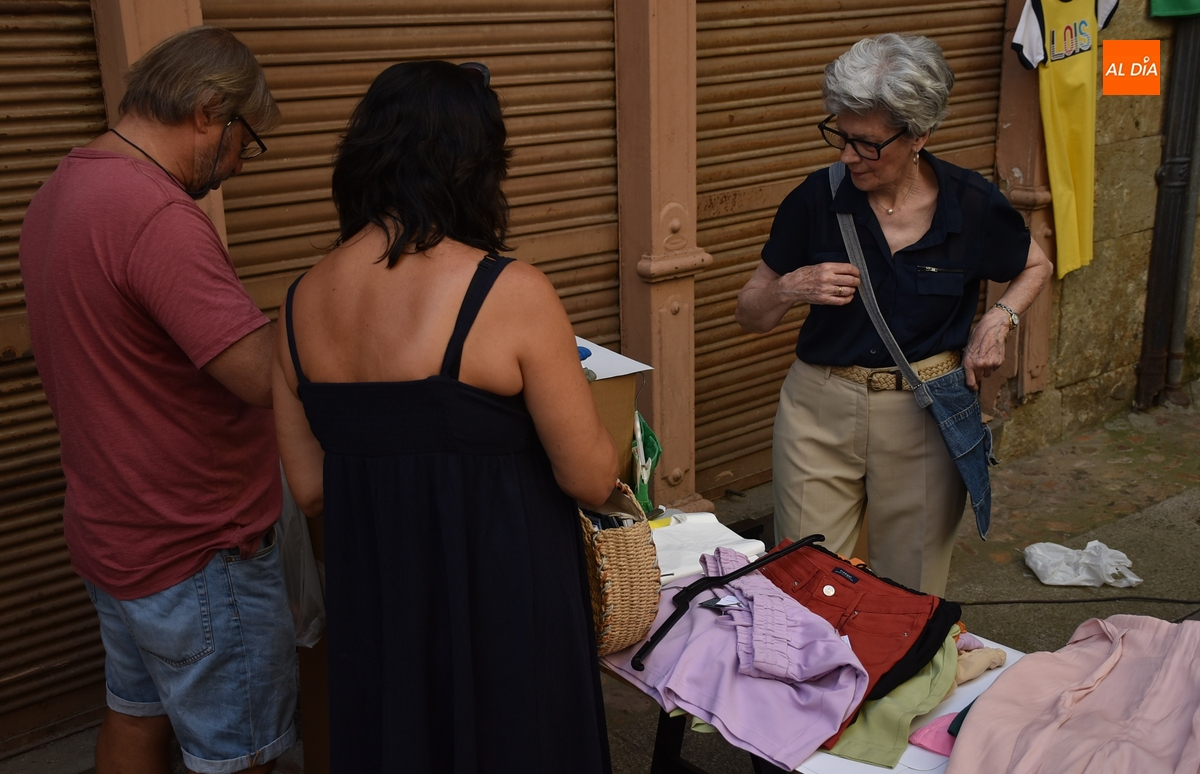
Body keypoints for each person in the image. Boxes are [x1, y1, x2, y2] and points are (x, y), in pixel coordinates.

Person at [273, 60, 619, 772]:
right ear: (475, 167)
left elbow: (309, 490)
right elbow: (589, 476)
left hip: (380, 603)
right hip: (504, 597)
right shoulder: (511, 291)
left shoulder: (298, 303)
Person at [19, 26, 296, 774]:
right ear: (208, 111)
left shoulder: (61, 191)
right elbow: (260, 376)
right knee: (242, 756)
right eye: (244, 142)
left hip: (115, 534)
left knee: (136, 717)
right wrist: (333, 316)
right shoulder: (157, 216)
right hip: (196, 549)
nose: (235, 167)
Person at [735, 34, 1052, 597]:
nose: (847, 156)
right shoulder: (815, 198)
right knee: (805, 585)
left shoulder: (971, 202)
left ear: (919, 135)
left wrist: (998, 318)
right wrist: (789, 287)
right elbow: (750, 314)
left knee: (911, 591)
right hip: (819, 409)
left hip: (925, 411)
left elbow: (1036, 265)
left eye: (867, 144)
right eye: (841, 135)